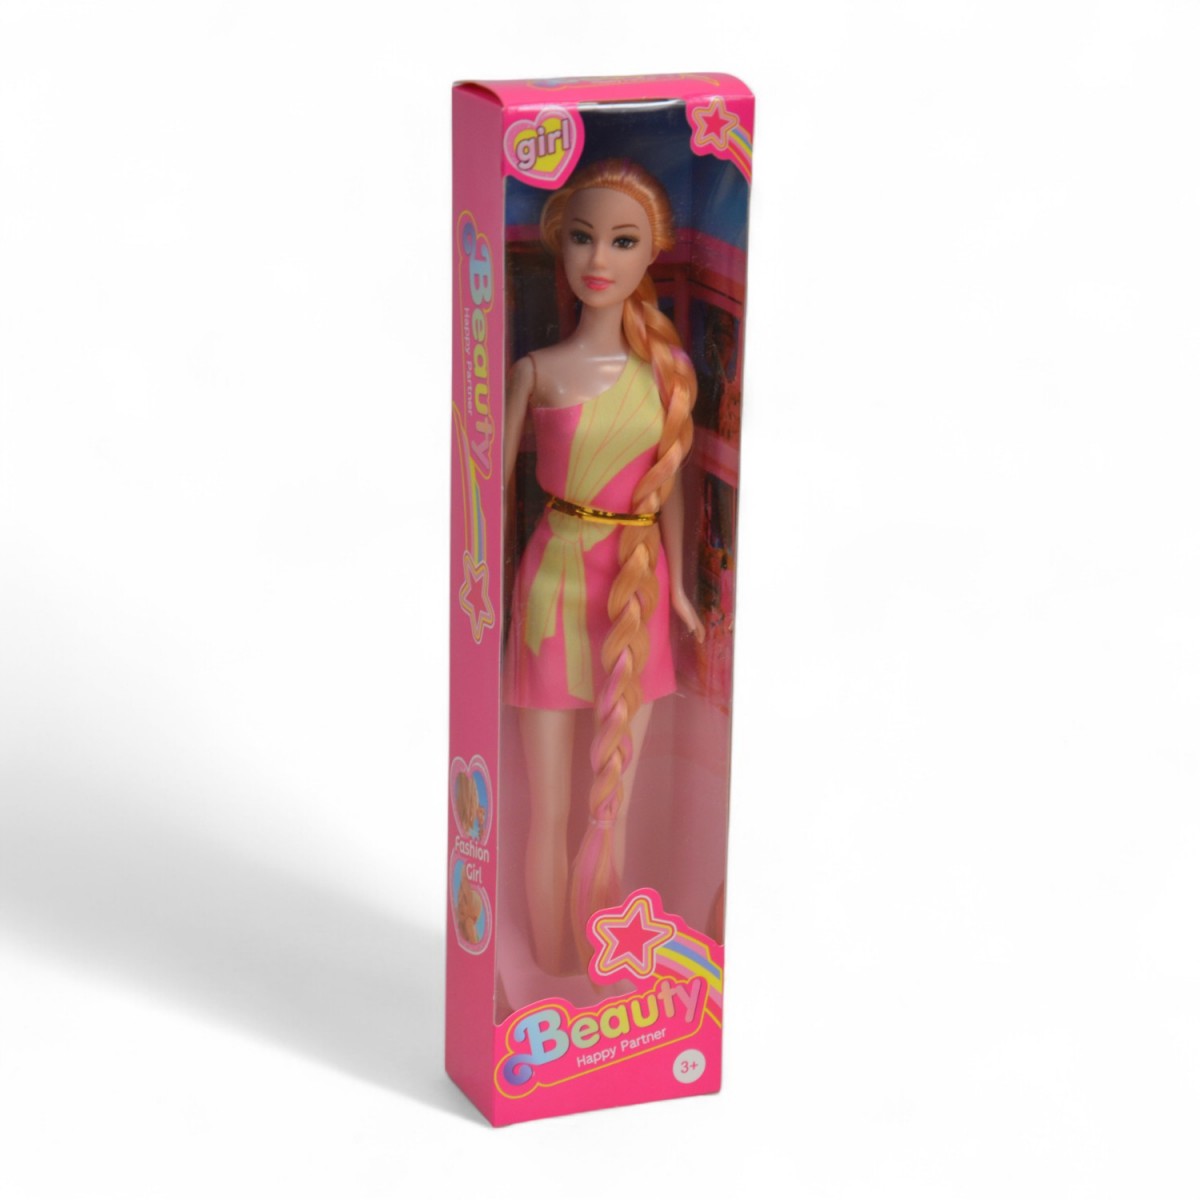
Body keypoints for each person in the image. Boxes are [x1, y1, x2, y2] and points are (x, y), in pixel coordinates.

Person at [503, 160, 703, 974]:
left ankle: (598, 965)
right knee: (549, 805)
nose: (598, 259)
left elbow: (669, 487)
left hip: (638, 588)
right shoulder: (536, 371)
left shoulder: (666, 377)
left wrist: (680, 588)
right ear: (559, 245)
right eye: (582, 237)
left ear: (653, 251)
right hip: (552, 587)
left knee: (609, 801)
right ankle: (550, 965)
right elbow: (482, 489)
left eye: (623, 241)